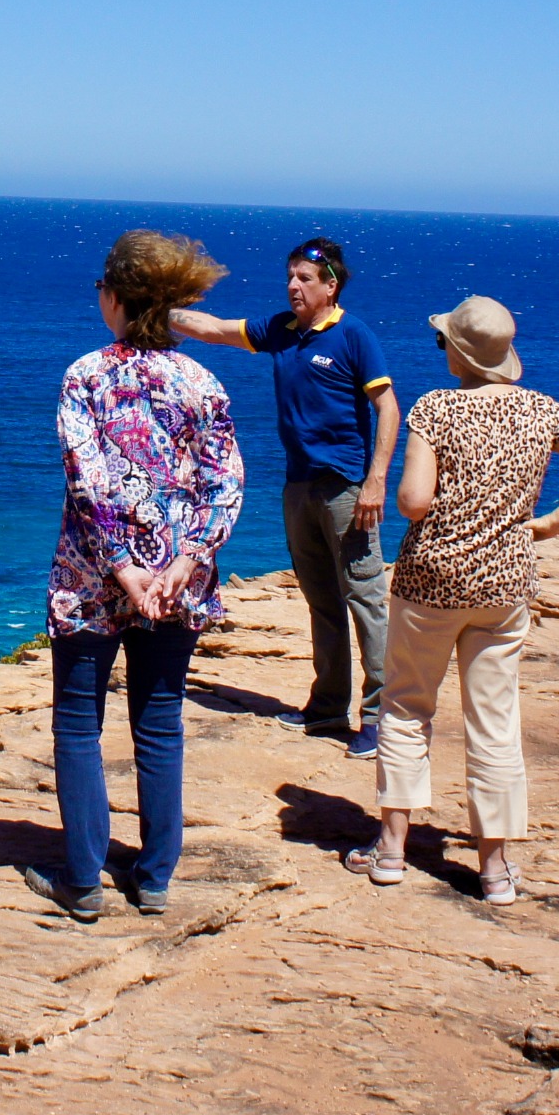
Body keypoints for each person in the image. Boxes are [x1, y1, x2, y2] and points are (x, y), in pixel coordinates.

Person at [344, 297, 559, 903]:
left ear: (457, 351)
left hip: (431, 581)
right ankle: (495, 870)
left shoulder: (436, 409)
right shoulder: (541, 411)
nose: (440, 348)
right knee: (494, 721)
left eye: (443, 340)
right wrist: (551, 524)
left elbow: (414, 503)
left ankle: (392, 850)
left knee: (405, 707)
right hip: (504, 582)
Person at [20, 230, 243, 923]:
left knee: (79, 722)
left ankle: (84, 880)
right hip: (177, 584)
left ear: (114, 299)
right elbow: (226, 484)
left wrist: (122, 568)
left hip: (92, 579)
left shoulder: (85, 376)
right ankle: (154, 879)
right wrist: (183, 561)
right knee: (160, 722)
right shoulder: (202, 381)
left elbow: (86, 482)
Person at [172, 237, 396, 756]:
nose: (294, 287)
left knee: (365, 598)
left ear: (330, 286)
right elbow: (216, 330)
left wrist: (376, 480)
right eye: (291, 278)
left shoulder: (352, 336)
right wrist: (156, 307)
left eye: (305, 280)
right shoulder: (283, 330)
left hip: (344, 488)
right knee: (321, 599)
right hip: (298, 485)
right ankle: (327, 708)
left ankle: (381, 718)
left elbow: (387, 407)